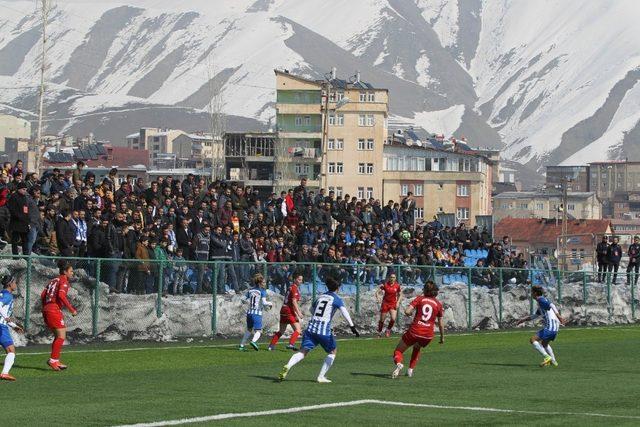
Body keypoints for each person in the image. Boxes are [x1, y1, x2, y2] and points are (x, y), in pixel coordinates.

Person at [279, 277, 360, 383]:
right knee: (332, 351)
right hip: (323, 330)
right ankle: (321, 377)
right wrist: (352, 327)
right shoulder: (336, 299)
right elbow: (345, 312)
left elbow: (311, 310)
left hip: (311, 327)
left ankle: (288, 365)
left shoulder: (320, 296)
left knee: (303, 351)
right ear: (338, 288)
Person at [391, 281, 444, 379]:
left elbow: (407, 311)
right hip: (428, 335)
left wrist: (409, 314)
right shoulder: (438, 304)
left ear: (425, 289)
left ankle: (399, 363)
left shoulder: (420, 299)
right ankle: (410, 370)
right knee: (417, 347)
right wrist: (442, 337)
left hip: (415, 330)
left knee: (398, 351)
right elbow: (441, 323)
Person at [41, 262, 77, 371]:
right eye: (71, 271)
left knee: (59, 336)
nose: (72, 273)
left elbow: (43, 294)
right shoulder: (64, 281)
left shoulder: (53, 280)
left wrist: (45, 307)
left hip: (47, 308)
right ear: (65, 272)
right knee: (61, 336)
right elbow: (61, 295)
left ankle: (55, 360)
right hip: (53, 310)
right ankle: (53, 360)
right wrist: (72, 309)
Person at [516, 285, 564, 367]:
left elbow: (552, 305)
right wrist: (523, 320)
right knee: (544, 344)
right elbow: (534, 316)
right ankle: (554, 361)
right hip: (555, 327)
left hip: (550, 326)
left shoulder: (540, 299)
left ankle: (547, 357)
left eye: (531, 292)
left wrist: (558, 315)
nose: (531, 294)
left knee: (532, 339)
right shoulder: (541, 303)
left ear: (535, 293)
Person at [268, 273, 304, 351]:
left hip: (283, 309)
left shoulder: (290, 287)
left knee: (281, 331)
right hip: (289, 310)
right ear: (294, 279)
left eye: (301, 280)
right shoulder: (294, 288)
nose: (301, 281)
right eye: (299, 279)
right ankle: (291, 344)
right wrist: (299, 313)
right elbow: (294, 301)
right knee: (298, 330)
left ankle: (271, 346)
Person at [239, 273, 272, 351]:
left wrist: (248, 303)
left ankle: (241, 345)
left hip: (249, 312)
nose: (265, 284)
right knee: (259, 331)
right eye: (263, 282)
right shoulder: (262, 291)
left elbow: (243, 299)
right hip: (257, 313)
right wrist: (270, 303)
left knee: (249, 330)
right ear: (260, 283)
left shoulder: (250, 290)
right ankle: (253, 341)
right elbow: (264, 302)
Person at [0, 275, 23, 381]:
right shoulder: (7, 295)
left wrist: (14, 326)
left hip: (3, 325)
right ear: (10, 284)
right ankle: (4, 373)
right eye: (14, 282)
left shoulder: (3, 294)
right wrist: (6, 318)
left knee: (10, 350)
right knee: (11, 351)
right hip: (1, 327)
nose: (15, 284)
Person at [375, 273, 402, 337]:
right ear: (389, 278)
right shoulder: (385, 284)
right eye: (391, 277)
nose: (392, 278)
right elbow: (377, 292)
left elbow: (400, 294)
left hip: (393, 303)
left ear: (395, 278)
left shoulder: (397, 285)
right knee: (382, 320)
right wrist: (378, 297)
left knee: (393, 319)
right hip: (385, 303)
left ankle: (388, 330)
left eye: (394, 277)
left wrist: (398, 302)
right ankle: (379, 332)